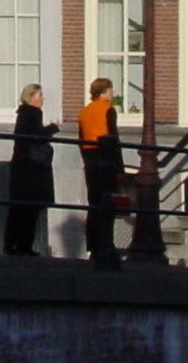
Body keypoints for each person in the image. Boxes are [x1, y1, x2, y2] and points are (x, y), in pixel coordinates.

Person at [3, 83, 56, 256]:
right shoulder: (33, 113)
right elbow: (35, 136)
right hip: (30, 168)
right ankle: (23, 245)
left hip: (21, 165)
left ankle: (11, 244)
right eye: (39, 96)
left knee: (19, 207)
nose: (42, 99)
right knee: (29, 207)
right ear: (30, 97)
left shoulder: (23, 113)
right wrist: (52, 128)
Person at [78, 77, 123, 262]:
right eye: (111, 90)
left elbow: (81, 139)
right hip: (105, 156)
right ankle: (106, 244)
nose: (112, 94)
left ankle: (93, 245)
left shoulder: (85, 112)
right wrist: (119, 166)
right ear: (105, 92)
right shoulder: (108, 109)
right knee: (108, 201)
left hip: (90, 158)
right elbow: (113, 136)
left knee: (94, 202)